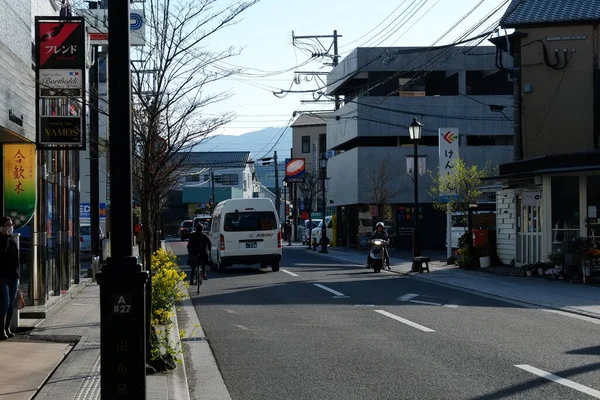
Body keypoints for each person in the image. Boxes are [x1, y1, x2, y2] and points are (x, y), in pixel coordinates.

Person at [0, 217, 19, 340]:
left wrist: (18, 275)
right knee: (5, 303)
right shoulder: (4, 241)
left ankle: (7, 327)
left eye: (11, 224)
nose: (10, 227)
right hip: (2, 277)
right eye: (7, 225)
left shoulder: (12, 241)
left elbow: (16, 260)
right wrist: (4, 237)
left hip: (13, 276)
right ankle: (1, 329)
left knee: (11, 304)